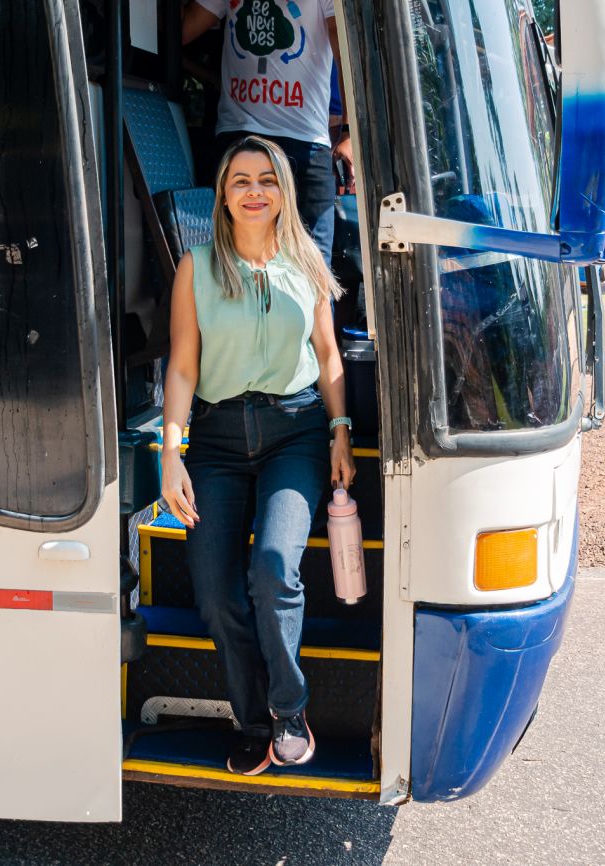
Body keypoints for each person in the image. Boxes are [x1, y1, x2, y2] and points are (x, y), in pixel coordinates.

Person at [160, 136, 356, 775]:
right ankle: (250, 721)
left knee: (273, 569)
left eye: (267, 179)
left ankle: (288, 711)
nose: (254, 191)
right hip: (215, 441)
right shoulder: (195, 267)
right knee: (215, 595)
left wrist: (340, 431)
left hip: (293, 432)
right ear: (222, 194)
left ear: (283, 192)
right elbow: (182, 367)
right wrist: (171, 452)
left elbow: (327, 355)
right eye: (240, 180)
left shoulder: (307, 260)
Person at [182, 0, 354, 264]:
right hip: (240, 137)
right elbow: (183, 29)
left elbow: (345, 47)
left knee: (313, 267)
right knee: (236, 263)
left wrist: (349, 131)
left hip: (303, 141)